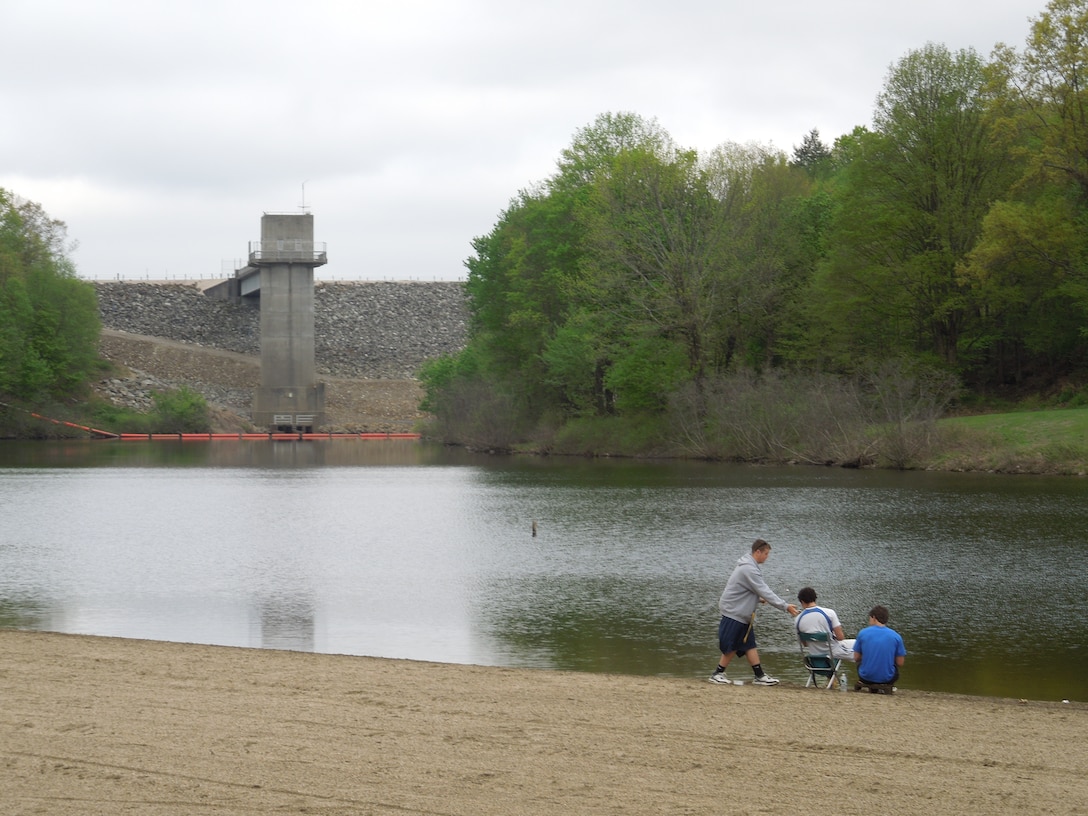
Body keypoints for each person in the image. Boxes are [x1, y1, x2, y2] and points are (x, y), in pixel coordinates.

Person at [709, 539, 798, 686]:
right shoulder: (749, 569)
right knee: (732, 645)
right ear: (758, 552)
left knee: (749, 644)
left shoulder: (750, 566)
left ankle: (759, 676)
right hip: (734, 612)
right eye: (766, 554)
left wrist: (757, 599)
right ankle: (717, 674)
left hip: (741, 613)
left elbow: (746, 590)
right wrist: (785, 606)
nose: (767, 557)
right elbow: (764, 590)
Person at [852, 605, 906, 693]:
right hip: (887, 678)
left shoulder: (863, 633)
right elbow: (900, 663)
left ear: (873, 617)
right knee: (895, 668)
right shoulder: (896, 636)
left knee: (859, 664)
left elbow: (856, 658)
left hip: (865, 677)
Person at [795, 586, 856, 661]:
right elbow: (840, 637)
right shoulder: (829, 613)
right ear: (815, 598)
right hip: (833, 652)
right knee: (863, 644)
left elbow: (805, 644)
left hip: (814, 655)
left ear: (802, 601)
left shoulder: (798, 619)